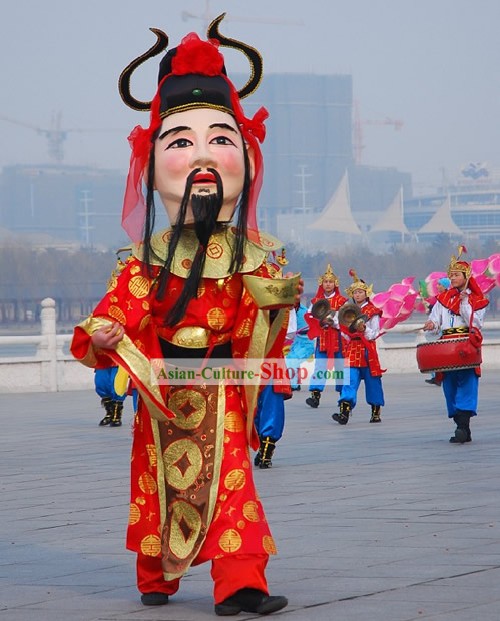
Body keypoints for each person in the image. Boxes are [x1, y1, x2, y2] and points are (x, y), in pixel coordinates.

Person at [71, 16, 300, 617]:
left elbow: (261, 324)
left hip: (222, 390)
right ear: (151, 166)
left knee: (234, 485)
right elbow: (116, 309)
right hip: (162, 389)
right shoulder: (145, 259)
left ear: (245, 158)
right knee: (160, 488)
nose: (202, 157)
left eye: (220, 140)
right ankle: (156, 573)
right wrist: (106, 331)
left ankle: (240, 582)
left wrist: (275, 307)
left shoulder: (256, 254)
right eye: (180, 142)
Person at [423, 246, 488, 443]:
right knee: (449, 386)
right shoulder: (443, 299)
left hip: (465, 344)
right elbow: (436, 323)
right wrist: (432, 325)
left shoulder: (478, 299)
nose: (452, 278)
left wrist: (465, 303)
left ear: (466, 276)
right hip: (446, 347)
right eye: (450, 275)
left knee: (467, 383)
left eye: (456, 275)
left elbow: (475, 323)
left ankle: (463, 425)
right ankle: (460, 425)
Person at [332, 269, 385, 425]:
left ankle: (376, 411)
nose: (358, 295)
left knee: (372, 381)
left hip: (367, 349)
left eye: (361, 292)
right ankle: (344, 412)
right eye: (355, 292)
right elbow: (342, 328)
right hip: (352, 349)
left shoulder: (372, 311)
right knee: (349, 379)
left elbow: (375, 333)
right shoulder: (347, 310)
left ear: (366, 293)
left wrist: (364, 330)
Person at [305, 264, 347, 408]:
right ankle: (315, 395)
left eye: (330, 282)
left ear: (335, 283)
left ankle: (344, 397)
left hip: (338, 339)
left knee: (341, 368)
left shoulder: (342, 301)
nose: (328, 284)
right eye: (325, 281)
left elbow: (345, 320)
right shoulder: (316, 301)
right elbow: (310, 317)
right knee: (319, 367)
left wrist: (333, 322)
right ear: (321, 283)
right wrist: (320, 321)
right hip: (322, 338)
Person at [424, 276, 451, 385]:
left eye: (440, 284)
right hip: (443, 335)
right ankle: (437, 376)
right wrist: (431, 324)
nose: (437, 286)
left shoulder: (460, 298)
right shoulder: (440, 300)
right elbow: (435, 318)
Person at [285, 299, 315, 391]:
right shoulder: (287, 311)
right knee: (291, 358)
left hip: (307, 343)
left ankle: (292, 385)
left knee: (292, 360)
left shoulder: (305, 312)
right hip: (297, 341)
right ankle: (296, 383)